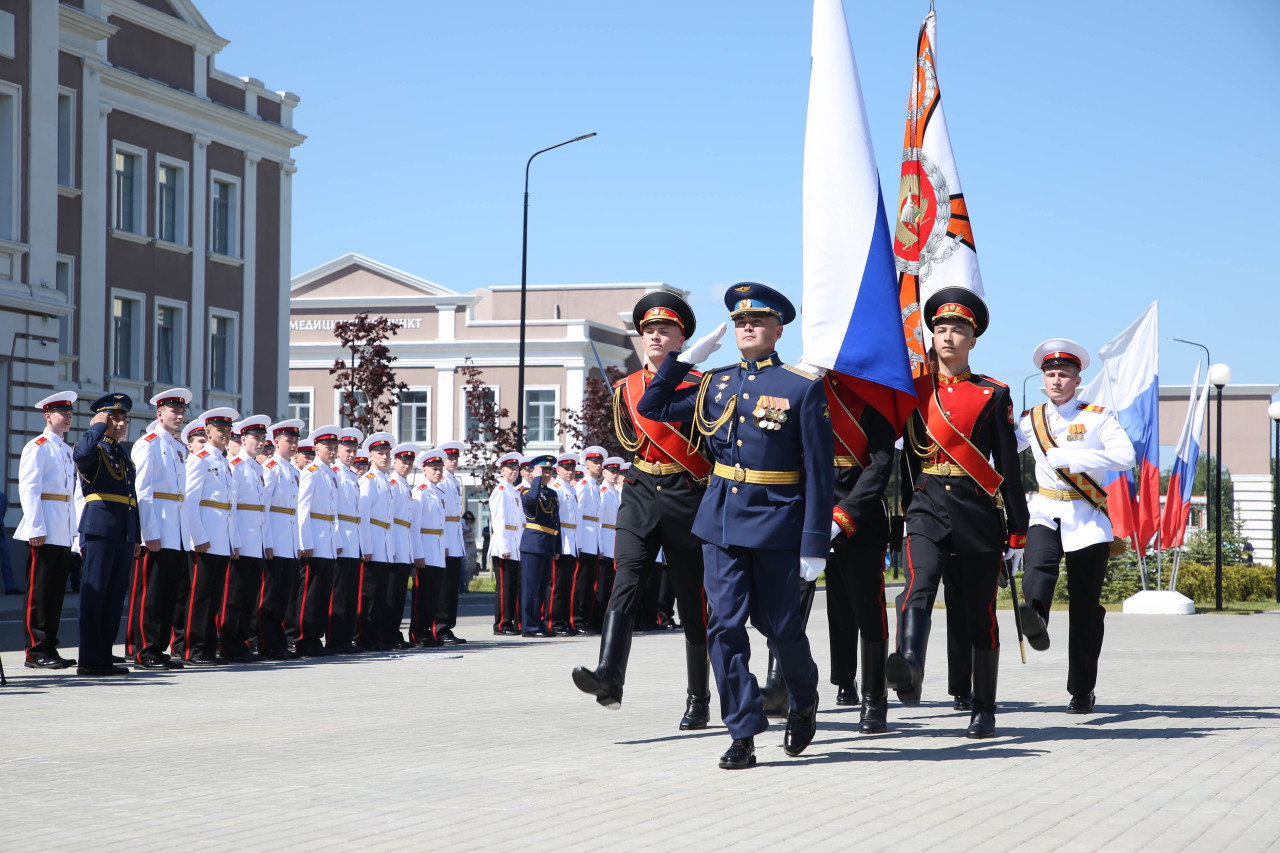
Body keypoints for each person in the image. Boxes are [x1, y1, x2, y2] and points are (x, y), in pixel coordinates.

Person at [637, 283, 832, 769]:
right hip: (721, 521)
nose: (747, 327)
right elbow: (652, 408)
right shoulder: (715, 383)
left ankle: (803, 699)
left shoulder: (800, 387)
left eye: (758, 321)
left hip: (777, 522)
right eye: (741, 321)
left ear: (777, 329)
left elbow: (820, 472)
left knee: (783, 628)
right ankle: (742, 731)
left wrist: (815, 542)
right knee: (723, 626)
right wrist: (680, 362)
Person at [889, 287, 1029, 738]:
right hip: (927, 504)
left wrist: (1018, 531)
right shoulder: (912, 389)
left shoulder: (994, 393)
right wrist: (910, 503)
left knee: (978, 613)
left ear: (973, 339)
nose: (948, 337)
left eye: (959, 330)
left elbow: (1009, 466)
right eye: (941, 329)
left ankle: (983, 707)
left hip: (976, 510)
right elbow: (908, 457)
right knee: (917, 584)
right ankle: (908, 663)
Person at [572, 292, 714, 731]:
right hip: (638, 490)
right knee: (626, 580)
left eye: (664, 330)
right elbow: (631, 443)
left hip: (686, 491)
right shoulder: (625, 389)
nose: (654, 336)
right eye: (648, 331)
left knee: (692, 600)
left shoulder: (704, 386)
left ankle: (698, 697)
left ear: (682, 337)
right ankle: (610, 677)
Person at [1015, 338, 1135, 714]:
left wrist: (1075, 456)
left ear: (1077, 379)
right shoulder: (1031, 420)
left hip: (1088, 519)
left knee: (1085, 608)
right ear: (1043, 379)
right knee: (1038, 565)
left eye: (1063, 374)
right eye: (1050, 374)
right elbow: (996, 450)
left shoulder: (1097, 417)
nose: (1056, 380)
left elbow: (1126, 457)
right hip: (1046, 510)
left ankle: (1082, 690)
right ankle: (1034, 618)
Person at [822, 370, 897, 734]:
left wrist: (847, 513)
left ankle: (874, 695)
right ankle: (839, 680)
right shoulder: (804, 387)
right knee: (828, 600)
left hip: (860, 506)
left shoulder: (873, 394)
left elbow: (881, 463)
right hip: (813, 502)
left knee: (866, 602)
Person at [73, 393, 141, 676]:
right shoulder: (94, 446)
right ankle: (89, 660)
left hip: (122, 533)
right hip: (99, 530)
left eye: (124, 418)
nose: (121, 423)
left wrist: (135, 535)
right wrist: (96, 427)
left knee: (114, 597)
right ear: (101, 419)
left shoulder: (122, 452)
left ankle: (103, 655)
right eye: (115, 418)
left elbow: (131, 497)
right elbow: (81, 455)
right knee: (95, 595)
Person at [15, 391, 80, 669]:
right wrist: (35, 526)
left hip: (62, 529)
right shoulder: (38, 446)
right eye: (62, 413)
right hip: (43, 528)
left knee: (55, 593)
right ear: (47, 415)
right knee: (39, 593)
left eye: (69, 413)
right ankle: (35, 650)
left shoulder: (66, 450)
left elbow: (71, 494)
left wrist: (74, 532)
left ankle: (50, 647)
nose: (67, 417)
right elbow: (29, 488)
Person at [128, 389, 192, 670]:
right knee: (151, 593)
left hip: (176, 531)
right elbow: (142, 491)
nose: (178, 416)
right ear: (159, 414)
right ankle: (145, 650)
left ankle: (159, 648)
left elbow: (182, 495)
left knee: (169, 593)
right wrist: (147, 532)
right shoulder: (148, 444)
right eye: (173, 412)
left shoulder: (179, 448)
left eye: (181, 412)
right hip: (157, 530)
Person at [182, 407, 240, 665]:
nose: (225, 434)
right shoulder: (200, 460)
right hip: (205, 539)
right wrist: (198, 536)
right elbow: (190, 501)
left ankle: (207, 647)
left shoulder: (223, 462)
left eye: (228, 430)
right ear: (208, 432)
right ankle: (194, 649)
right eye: (220, 430)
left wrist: (231, 541)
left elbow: (229, 507)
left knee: (214, 597)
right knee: (200, 597)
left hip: (221, 539)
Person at [221, 416, 270, 662]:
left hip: (255, 542)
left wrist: (265, 542)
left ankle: (242, 643)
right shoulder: (236, 465)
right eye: (255, 438)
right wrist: (233, 540)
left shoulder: (257, 467)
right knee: (234, 598)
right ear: (242, 440)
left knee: (249, 598)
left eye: (263, 439)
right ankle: (229, 644)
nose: (260, 443)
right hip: (241, 541)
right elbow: (231, 507)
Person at [296, 426, 341, 656]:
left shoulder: (331, 474)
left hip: (328, 540)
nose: (332, 452)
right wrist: (305, 541)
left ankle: (316, 637)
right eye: (328, 448)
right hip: (314, 537)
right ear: (316, 448)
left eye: (335, 448)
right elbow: (302, 508)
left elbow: (333, 512)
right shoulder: (311, 471)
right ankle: (305, 638)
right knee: (310, 593)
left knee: (323, 593)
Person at [260, 419, 303, 659]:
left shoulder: (293, 470)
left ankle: (280, 642)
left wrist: (297, 543)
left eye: (296, 440)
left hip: (289, 543)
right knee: (271, 597)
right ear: (276, 443)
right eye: (289, 440)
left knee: (285, 596)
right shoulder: (272, 468)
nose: (294, 444)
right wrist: (267, 542)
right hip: (275, 541)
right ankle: (268, 643)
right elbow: (264, 507)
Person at [357, 432, 395, 651]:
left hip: (384, 543)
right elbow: (363, 517)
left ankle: (377, 635)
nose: (384, 458)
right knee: (369, 595)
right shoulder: (368, 481)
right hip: (372, 542)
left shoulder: (385, 481)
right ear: (370, 455)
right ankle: (365, 636)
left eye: (387, 454)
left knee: (381, 594)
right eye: (380, 454)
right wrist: (366, 546)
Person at [328, 428, 365, 654]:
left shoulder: (352, 476)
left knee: (351, 593)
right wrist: (337, 537)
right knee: (339, 593)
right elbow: (333, 511)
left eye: (354, 451)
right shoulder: (334, 473)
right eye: (347, 451)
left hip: (353, 538)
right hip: (341, 535)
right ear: (338, 451)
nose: (351, 455)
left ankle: (346, 637)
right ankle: (335, 639)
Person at [519, 454, 560, 638]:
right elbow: (532, 500)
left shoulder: (552, 493)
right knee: (531, 589)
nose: (546, 473)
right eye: (543, 470)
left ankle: (539, 624)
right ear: (535, 471)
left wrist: (557, 546)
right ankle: (530, 627)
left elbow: (556, 522)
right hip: (533, 544)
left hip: (547, 544)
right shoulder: (527, 491)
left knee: (542, 588)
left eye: (548, 470)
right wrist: (535, 478)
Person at [412, 447, 449, 645]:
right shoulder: (419, 493)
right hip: (424, 549)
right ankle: (418, 632)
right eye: (434, 468)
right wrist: (418, 553)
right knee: (422, 595)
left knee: (433, 594)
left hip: (436, 549)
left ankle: (426, 630)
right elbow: (415, 526)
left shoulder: (439, 492)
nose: (438, 472)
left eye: (440, 469)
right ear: (424, 469)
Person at [387, 443, 421, 649]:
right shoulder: (391, 483)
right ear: (395, 462)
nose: (406, 466)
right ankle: (389, 633)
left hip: (404, 543)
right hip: (394, 543)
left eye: (409, 463)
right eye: (403, 462)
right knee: (391, 593)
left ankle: (395, 632)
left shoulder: (404, 486)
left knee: (400, 593)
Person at [433, 440, 468, 645]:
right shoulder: (442, 481)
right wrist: (444, 542)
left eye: (455, 458)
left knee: (451, 587)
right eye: (449, 458)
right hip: (445, 538)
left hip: (455, 538)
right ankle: (440, 627)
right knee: (444, 587)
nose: (453, 461)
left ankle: (448, 627)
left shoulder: (454, 481)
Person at [488, 451, 523, 635]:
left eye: (516, 468)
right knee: (505, 588)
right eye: (510, 468)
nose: (514, 471)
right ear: (502, 470)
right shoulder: (500, 491)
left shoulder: (514, 492)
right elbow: (498, 521)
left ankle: (512, 622)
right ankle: (502, 624)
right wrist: (505, 547)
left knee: (513, 586)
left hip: (515, 542)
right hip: (505, 544)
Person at [572, 446, 606, 634]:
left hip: (593, 539)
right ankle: (578, 620)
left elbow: (598, 520)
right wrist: (579, 543)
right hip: (584, 538)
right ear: (586, 464)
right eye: (594, 462)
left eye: (600, 462)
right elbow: (577, 516)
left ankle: (586, 618)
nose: (598, 465)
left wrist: (600, 545)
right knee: (581, 583)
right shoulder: (583, 486)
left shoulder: (595, 486)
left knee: (589, 583)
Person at [548, 453, 580, 636]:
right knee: (556, 586)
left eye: (572, 469)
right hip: (561, 540)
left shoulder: (572, 489)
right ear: (558, 470)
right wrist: (556, 546)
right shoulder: (556, 488)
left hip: (571, 540)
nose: (570, 472)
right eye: (566, 469)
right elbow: (554, 519)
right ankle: (553, 622)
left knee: (567, 585)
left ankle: (564, 621)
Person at [591, 456, 623, 631]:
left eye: (616, 472)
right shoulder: (603, 491)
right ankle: (596, 620)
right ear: (604, 472)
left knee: (610, 584)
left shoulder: (615, 493)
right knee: (601, 585)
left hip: (613, 540)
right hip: (604, 537)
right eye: (611, 471)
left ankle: (604, 619)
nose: (614, 474)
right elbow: (599, 521)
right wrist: (600, 546)